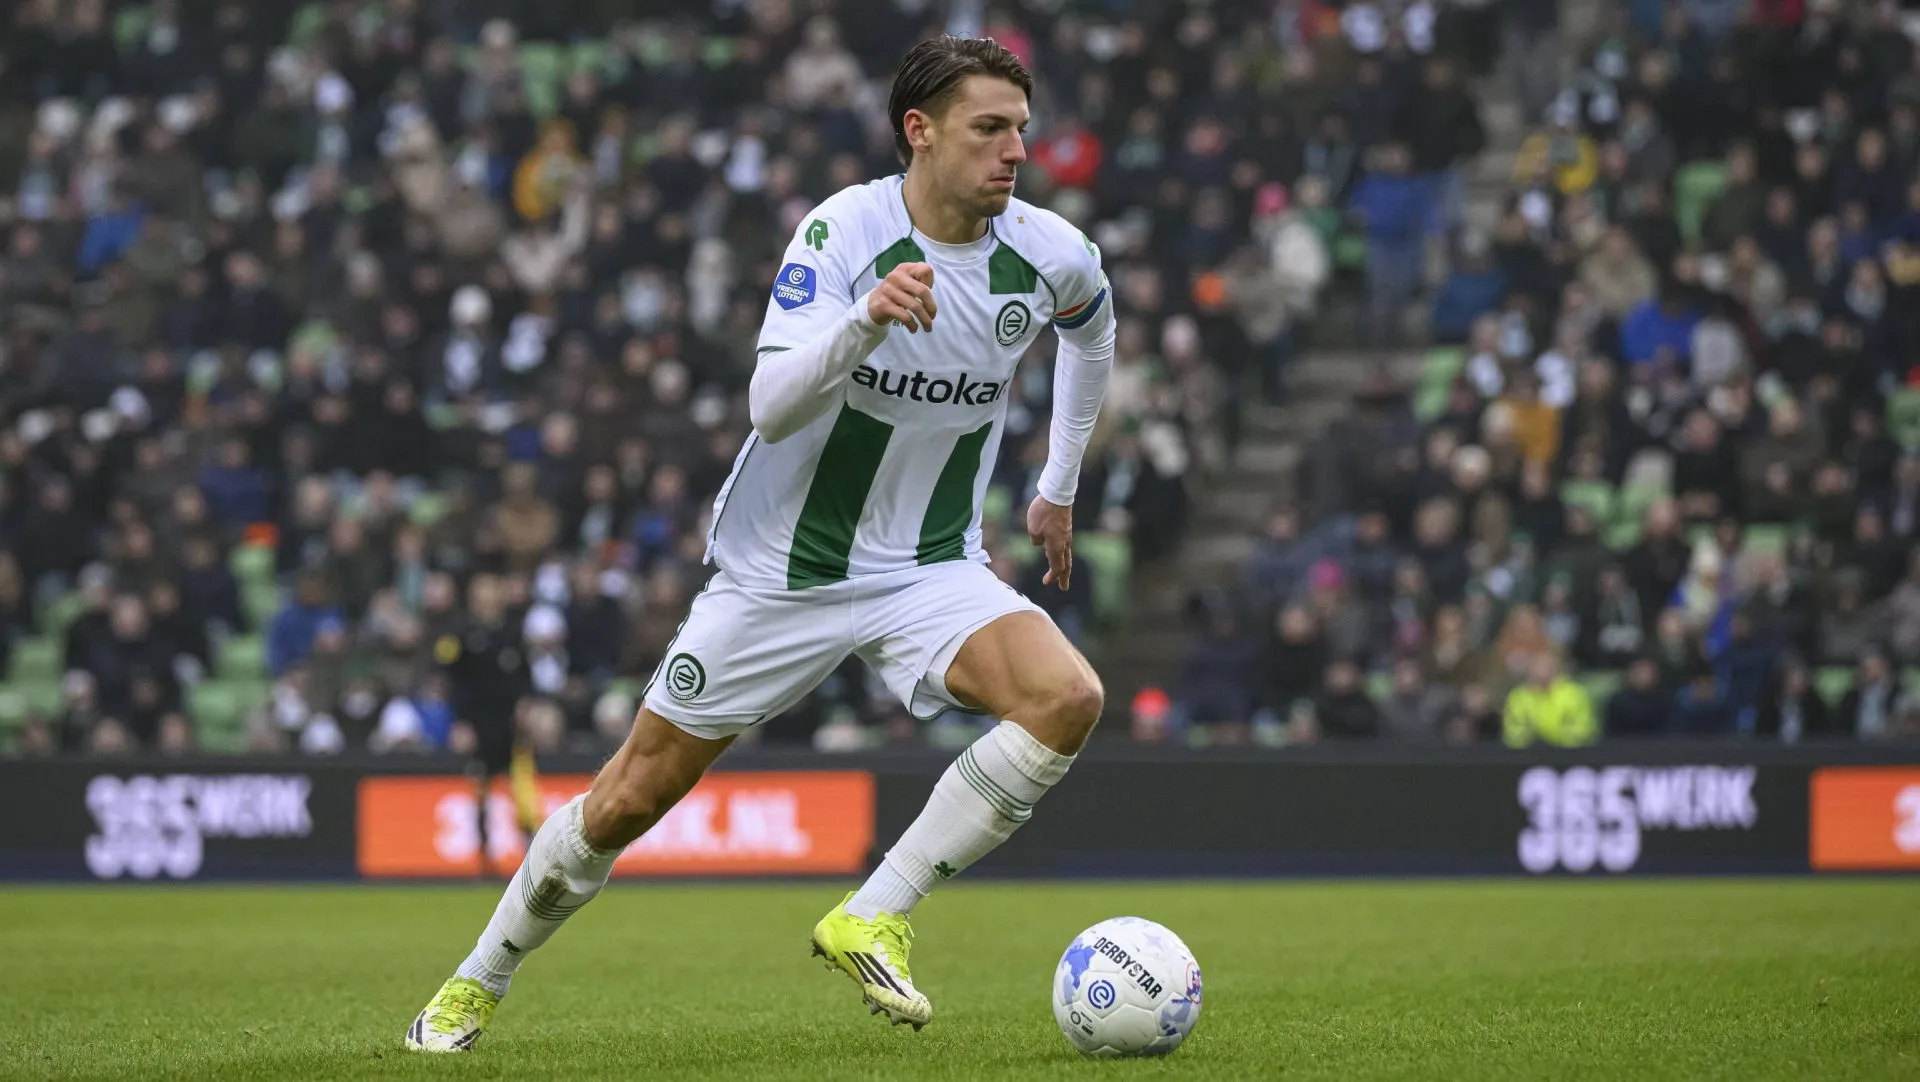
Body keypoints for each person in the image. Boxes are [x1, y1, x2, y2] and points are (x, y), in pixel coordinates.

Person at [407, 37, 1113, 1051]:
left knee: (1067, 697)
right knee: (625, 800)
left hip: (929, 564)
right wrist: (864, 321)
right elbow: (771, 404)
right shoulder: (843, 230)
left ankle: (874, 909)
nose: (1014, 153)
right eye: (988, 129)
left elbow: (1094, 327)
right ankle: (479, 977)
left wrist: (1057, 486)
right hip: (784, 570)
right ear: (920, 131)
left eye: (1021, 132)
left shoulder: (1048, 251)